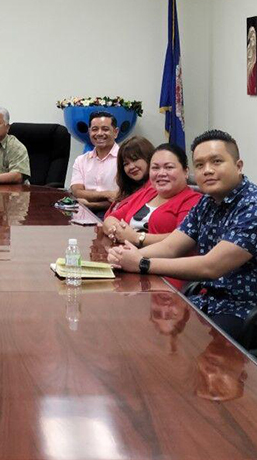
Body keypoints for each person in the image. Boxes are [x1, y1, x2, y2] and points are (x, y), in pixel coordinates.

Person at [108, 130, 257, 342]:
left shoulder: (252, 207)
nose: (207, 171)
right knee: (147, 335)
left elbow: (211, 266)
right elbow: (171, 246)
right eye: (200, 165)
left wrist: (141, 263)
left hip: (242, 308)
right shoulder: (207, 203)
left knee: (191, 349)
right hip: (205, 299)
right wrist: (125, 256)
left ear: (238, 166)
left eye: (216, 162)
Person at [103, 143, 201, 248]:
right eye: (155, 168)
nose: (161, 173)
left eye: (169, 167)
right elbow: (110, 219)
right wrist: (118, 231)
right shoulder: (149, 192)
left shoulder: (193, 200)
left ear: (186, 171)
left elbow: (184, 239)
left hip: (157, 262)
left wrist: (137, 237)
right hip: (123, 255)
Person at [70, 111, 119, 213]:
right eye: (94, 129)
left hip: (116, 214)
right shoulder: (81, 161)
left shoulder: (125, 159)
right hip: (84, 213)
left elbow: (124, 197)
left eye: (105, 129)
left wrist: (92, 204)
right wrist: (108, 194)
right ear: (89, 132)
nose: (99, 133)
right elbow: (77, 192)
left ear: (115, 132)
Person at [107, 136, 155, 215]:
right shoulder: (127, 190)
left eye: (135, 159)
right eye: (126, 164)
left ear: (149, 158)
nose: (131, 167)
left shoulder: (154, 189)